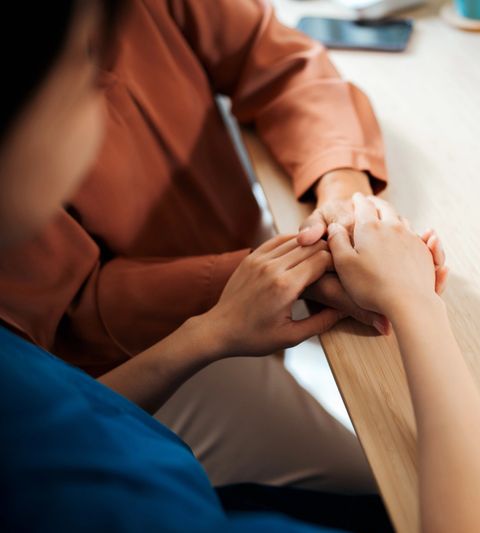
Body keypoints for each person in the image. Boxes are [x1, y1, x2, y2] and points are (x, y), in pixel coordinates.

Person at [0, 0, 446, 493]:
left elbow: (273, 55)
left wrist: (340, 184)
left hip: (232, 286)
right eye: (83, 84)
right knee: (380, 485)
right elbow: (73, 315)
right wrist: (291, 271)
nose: (101, 92)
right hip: (128, 364)